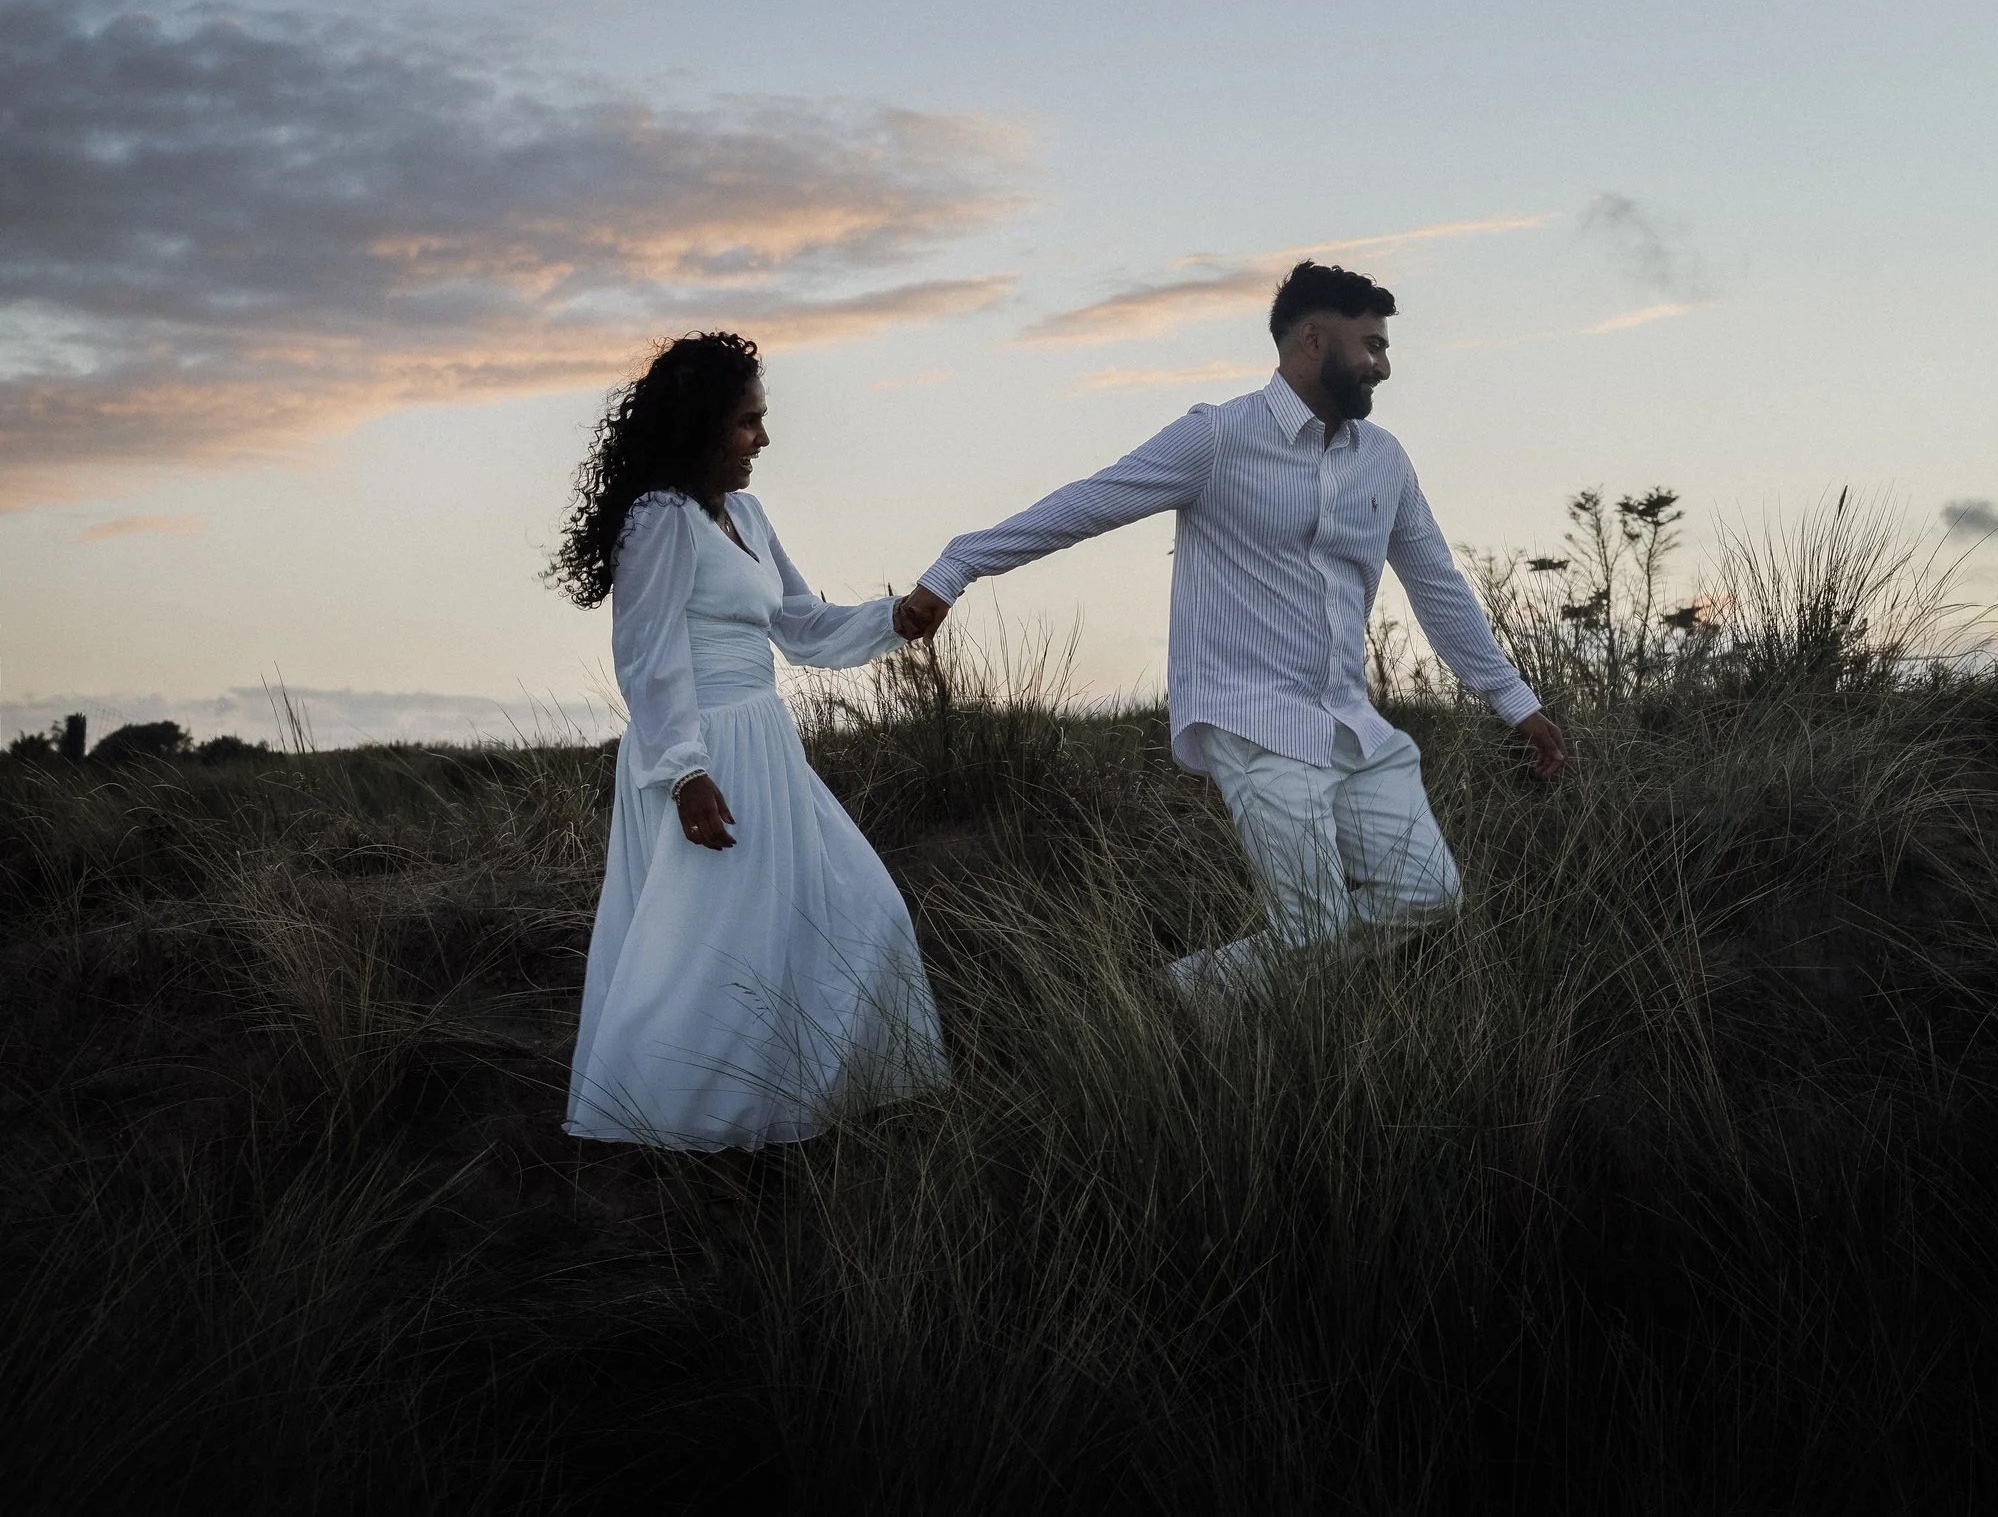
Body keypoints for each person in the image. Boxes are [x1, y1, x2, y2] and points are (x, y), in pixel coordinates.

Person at [894, 262, 1567, 994]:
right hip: (1251, 714)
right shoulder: (1217, 438)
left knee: (1429, 895)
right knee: (1312, 929)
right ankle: (1195, 1031)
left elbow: (1438, 585)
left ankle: (1184, 995)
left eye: (1384, 346)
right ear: (1312, 340)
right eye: (1369, 345)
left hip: (1350, 721)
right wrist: (956, 568)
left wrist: (1516, 703)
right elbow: (1088, 503)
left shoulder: (1385, 461)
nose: (1382, 365)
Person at [548, 332, 945, 1149]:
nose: (763, 439)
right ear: (699, 425)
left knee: (859, 910)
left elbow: (796, 624)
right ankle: (680, 1133)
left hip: (767, 745)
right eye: (747, 423)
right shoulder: (658, 519)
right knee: (708, 953)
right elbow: (648, 657)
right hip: (700, 755)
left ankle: (774, 1118)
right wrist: (684, 772)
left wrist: (891, 618)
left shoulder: (749, 516)